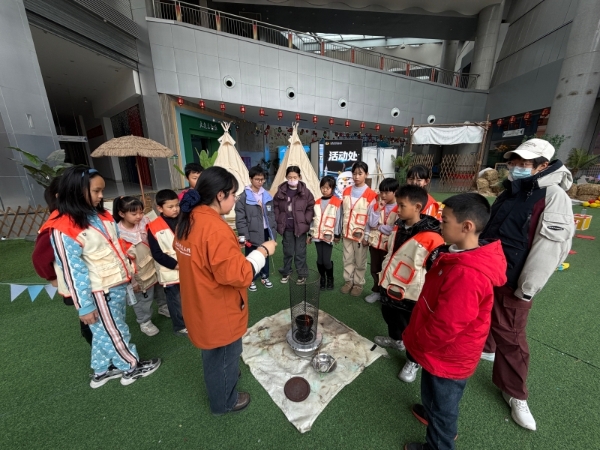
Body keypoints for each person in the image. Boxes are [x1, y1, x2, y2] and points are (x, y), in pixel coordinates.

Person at [480, 139, 575, 431]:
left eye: (525, 163)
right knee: (485, 314)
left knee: (512, 335)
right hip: (489, 269)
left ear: (543, 166)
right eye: (515, 162)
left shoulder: (553, 197)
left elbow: (550, 248)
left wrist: (527, 288)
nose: (517, 167)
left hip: (515, 280)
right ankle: (487, 348)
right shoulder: (511, 190)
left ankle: (515, 394)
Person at [403, 193, 507, 450]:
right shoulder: (458, 255)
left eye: (445, 220)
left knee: (443, 404)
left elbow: (447, 325)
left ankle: (440, 441)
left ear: (466, 226)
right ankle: (434, 415)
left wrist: (420, 342)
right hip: (442, 350)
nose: (440, 224)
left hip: (447, 354)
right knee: (435, 394)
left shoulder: (467, 273)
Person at [45, 166, 161, 388]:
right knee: (114, 330)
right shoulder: (62, 228)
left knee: (104, 330)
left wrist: (129, 272)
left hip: (116, 283)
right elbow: (73, 271)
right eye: (96, 191)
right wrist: (85, 306)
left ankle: (102, 369)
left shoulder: (101, 215)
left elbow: (115, 246)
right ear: (77, 190)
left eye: (102, 190)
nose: (101, 196)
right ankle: (131, 367)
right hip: (99, 291)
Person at [174, 166, 277, 415]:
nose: (235, 200)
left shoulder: (189, 218)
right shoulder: (215, 228)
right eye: (232, 194)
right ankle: (224, 401)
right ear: (220, 195)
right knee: (223, 353)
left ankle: (226, 375)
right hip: (217, 307)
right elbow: (239, 275)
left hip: (198, 301)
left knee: (214, 353)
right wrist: (262, 252)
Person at [374, 185, 444, 383]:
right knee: (390, 315)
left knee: (413, 329)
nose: (397, 209)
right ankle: (396, 340)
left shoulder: (433, 237)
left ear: (417, 207)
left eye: (402, 205)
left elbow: (435, 271)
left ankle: (413, 360)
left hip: (411, 294)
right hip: (390, 285)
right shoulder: (399, 225)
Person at [33, 177, 93, 345]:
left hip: (89, 277)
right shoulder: (56, 225)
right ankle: (98, 346)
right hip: (75, 281)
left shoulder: (77, 217)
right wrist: (51, 277)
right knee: (89, 316)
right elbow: (39, 257)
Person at [114, 196, 169, 336]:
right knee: (143, 297)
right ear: (121, 213)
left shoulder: (145, 221)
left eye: (141, 212)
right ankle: (144, 321)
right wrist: (132, 281)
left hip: (155, 264)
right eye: (134, 214)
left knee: (161, 289)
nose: (139, 216)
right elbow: (122, 260)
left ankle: (163, 306)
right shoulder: (118, 233)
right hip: (138, 272)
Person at [148, 189, 187, 337]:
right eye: (170, 207)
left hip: (188, 268)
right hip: (169, 272)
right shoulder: (153, 226)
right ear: (159, 208)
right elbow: (157, 253)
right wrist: (176, 265)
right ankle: (180, 326)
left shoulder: (186, 219)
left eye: (177, 205)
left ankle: (193, 320)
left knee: (190, 297)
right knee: (175, 300)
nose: (175, 209)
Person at [235, 165, 277, 292]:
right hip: (250, 232)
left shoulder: (267, 195)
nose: (260, 182)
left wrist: (273, 232)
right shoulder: (243, 197)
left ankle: (265, 276)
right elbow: (240, 219)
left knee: (265, 253)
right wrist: (244, 236)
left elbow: (271, 215)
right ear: (250, 179)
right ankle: (251, 278)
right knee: (251, 255)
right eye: (257, 179)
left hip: (265, 230)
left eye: (262, 179)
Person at [340, 162, 378, 297]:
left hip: (360, 236)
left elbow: (371, 217)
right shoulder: (346, 191)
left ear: (366, 174)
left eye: (360, 174)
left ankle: (358, 283)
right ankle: (348, 281)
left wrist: (367, 236)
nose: (356, 177)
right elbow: (342, 213)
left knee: (360, 261)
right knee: (347, 259)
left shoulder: (371, 195)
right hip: (346, 233)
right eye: (354, 173)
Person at [273, 166, 315, 284]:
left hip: (300, 228)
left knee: (300, 252)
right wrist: (278, 218)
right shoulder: (281, 191)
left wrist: (306, 219)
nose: (292, 179)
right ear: (286, 177)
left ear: (299, 177)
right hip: (287, 227)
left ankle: (302, 274)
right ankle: (286, 271)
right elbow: (275, 206)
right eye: (290, 177)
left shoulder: (305, 192)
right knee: (288, 251)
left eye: (295, 177)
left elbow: (311, 207)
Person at [365, 177, 399, 303]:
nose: (383, 195)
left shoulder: (400, 207)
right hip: (375, 244)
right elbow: (371, 224)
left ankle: (386, 294)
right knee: (375, 269)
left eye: (386, 192)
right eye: (381, 192)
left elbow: (394, 229)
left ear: (395, 192)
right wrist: (378, 210)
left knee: (388, 270)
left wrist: (380, 227)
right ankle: (376, 292)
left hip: (389, 247)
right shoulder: (376, 205)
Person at [307, 176, 342, 290]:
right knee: (320, 260)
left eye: (328, 188)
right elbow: (313, 220)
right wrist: (310, 234)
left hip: (328, 235)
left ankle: (330, 279)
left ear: (333, 188)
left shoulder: (337, 202)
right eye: (323, 187)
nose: (325, 190)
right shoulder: (317, 202)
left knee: (326, 261)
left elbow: (338, 220)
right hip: (317, 235)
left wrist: (337, 235)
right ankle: (322, 279)